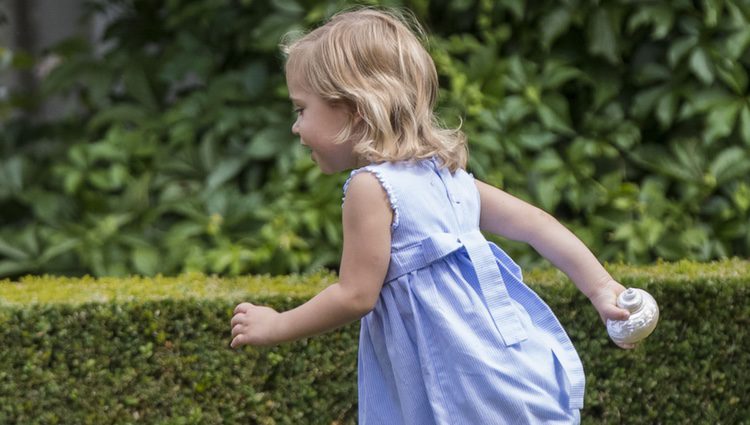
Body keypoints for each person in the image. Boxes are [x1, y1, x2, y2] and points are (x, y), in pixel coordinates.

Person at [230, 7, 633, 424]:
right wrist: (600, 287)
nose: (296, 127)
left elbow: (355, 295)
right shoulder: (444, 176)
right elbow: (536, 224)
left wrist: (277, 325)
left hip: (459, 383)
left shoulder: (370, 187)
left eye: (301, 110)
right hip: (497, 367)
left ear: (354, 109)